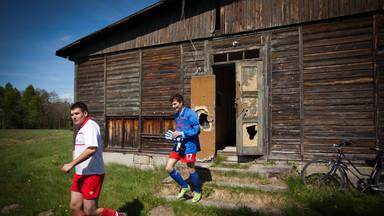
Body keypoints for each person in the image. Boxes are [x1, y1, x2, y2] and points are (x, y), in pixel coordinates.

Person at [61, 102, 126, 216]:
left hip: (92, 173)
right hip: (80, 173)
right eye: (72, 115)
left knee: (91, 211)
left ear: (85, 113)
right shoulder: (82, 127)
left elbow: (91, 149)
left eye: (76, 113)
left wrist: (71, 164)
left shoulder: (90, 126)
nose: (73, 117)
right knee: (75, 206)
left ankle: (118, 215)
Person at [165, 94, 202, 203]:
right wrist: (175, 135)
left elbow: (197, 130)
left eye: (175, 104)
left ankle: (198, 191)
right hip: (178, 146)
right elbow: (180, 131)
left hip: (190, 147)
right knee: (169, 168)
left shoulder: (191, 113)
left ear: (181, 102)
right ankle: (184, 186)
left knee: (190, 169)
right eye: (172, 104)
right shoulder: (177, 115)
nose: (173, 106)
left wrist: (182, 133)